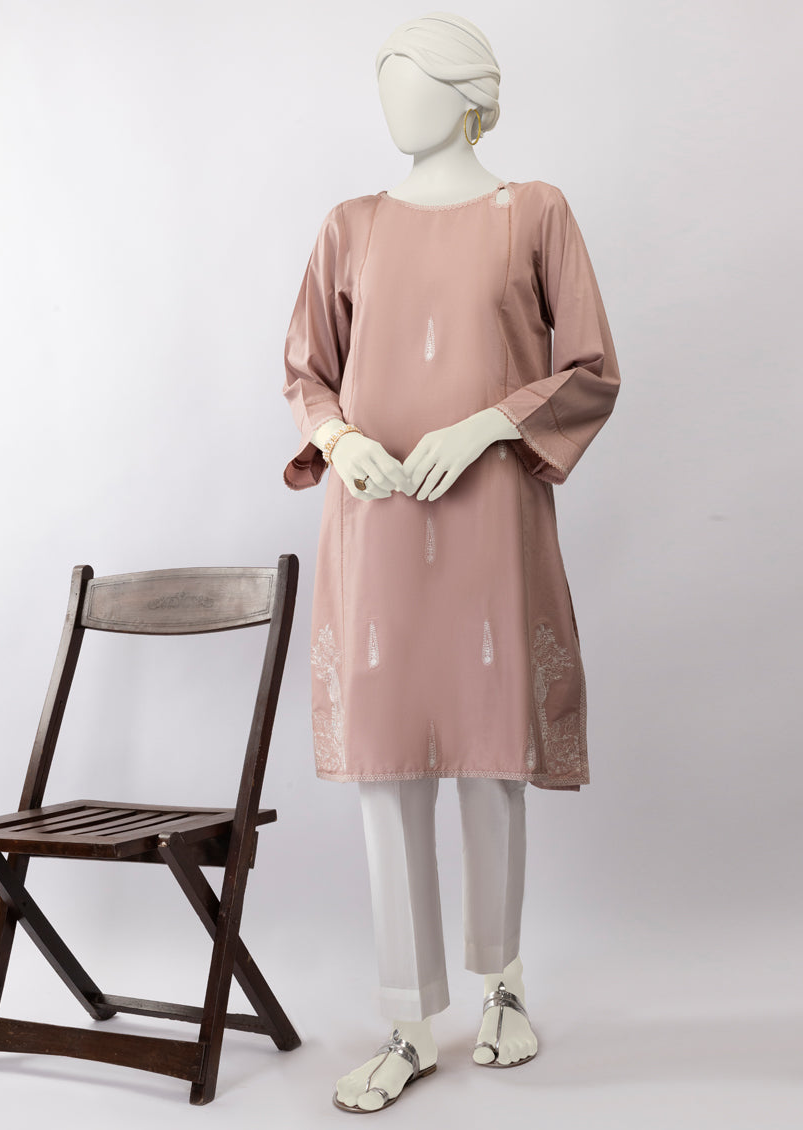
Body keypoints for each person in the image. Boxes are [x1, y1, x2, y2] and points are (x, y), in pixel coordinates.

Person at [282, 11, 621, 1113]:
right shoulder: (350, 225)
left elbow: (590, 366)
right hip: (375, 524)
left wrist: (485, 424)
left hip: (488, 519)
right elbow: (307, 370)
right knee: (386, 771)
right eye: (385, 80)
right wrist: (339, 441)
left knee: (489, 756)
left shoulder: (537, 212)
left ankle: (502, 985)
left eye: (414, 79)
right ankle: (405, 1020)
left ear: (471, 95)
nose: (394, 100)